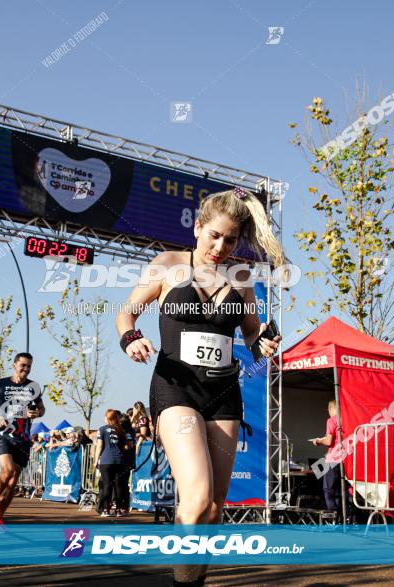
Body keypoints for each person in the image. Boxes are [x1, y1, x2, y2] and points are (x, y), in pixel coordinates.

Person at [116, 186, 284, 586]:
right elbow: (127, 313)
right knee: (195, 497)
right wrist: (131, 339)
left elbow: (251, 340)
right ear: (197, 227)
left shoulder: (241, 280)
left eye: (230, 239)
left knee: (213, 508)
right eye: (214, 235)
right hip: (176, 389)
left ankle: (193, 581)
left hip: (224, 395)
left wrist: (264, 343)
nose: (220, 246)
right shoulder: (167, 265)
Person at [0, 352, 46, 531]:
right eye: (23, 365)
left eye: (29, 366)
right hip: (3, 435)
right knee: (7, 470)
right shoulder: (1, 384)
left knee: (13, 481)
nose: (26, 369)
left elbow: (41, 409)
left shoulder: (33, 387)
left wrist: (36, 413)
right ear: (15, 364)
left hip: (23, 439)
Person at [94, 409, 133, 517]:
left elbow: (100, 446)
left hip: (106, 461)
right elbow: (128, 446)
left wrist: (96, 459)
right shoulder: (122, 430)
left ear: (107, 418)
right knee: (118, 486)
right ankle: (119, 510)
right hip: (119, 461)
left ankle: (106, 510)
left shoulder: (102, 429)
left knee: (107, 485)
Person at [311, 400, 340, 515]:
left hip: (333, 458)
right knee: (340, 488)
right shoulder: (347, 420)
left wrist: (318, 441)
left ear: (331, 408)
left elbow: (329, 442)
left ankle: (332, 513)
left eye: (328, 409)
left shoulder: (331, 420)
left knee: (328, 488)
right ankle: (343, 515)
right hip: (345, 458)